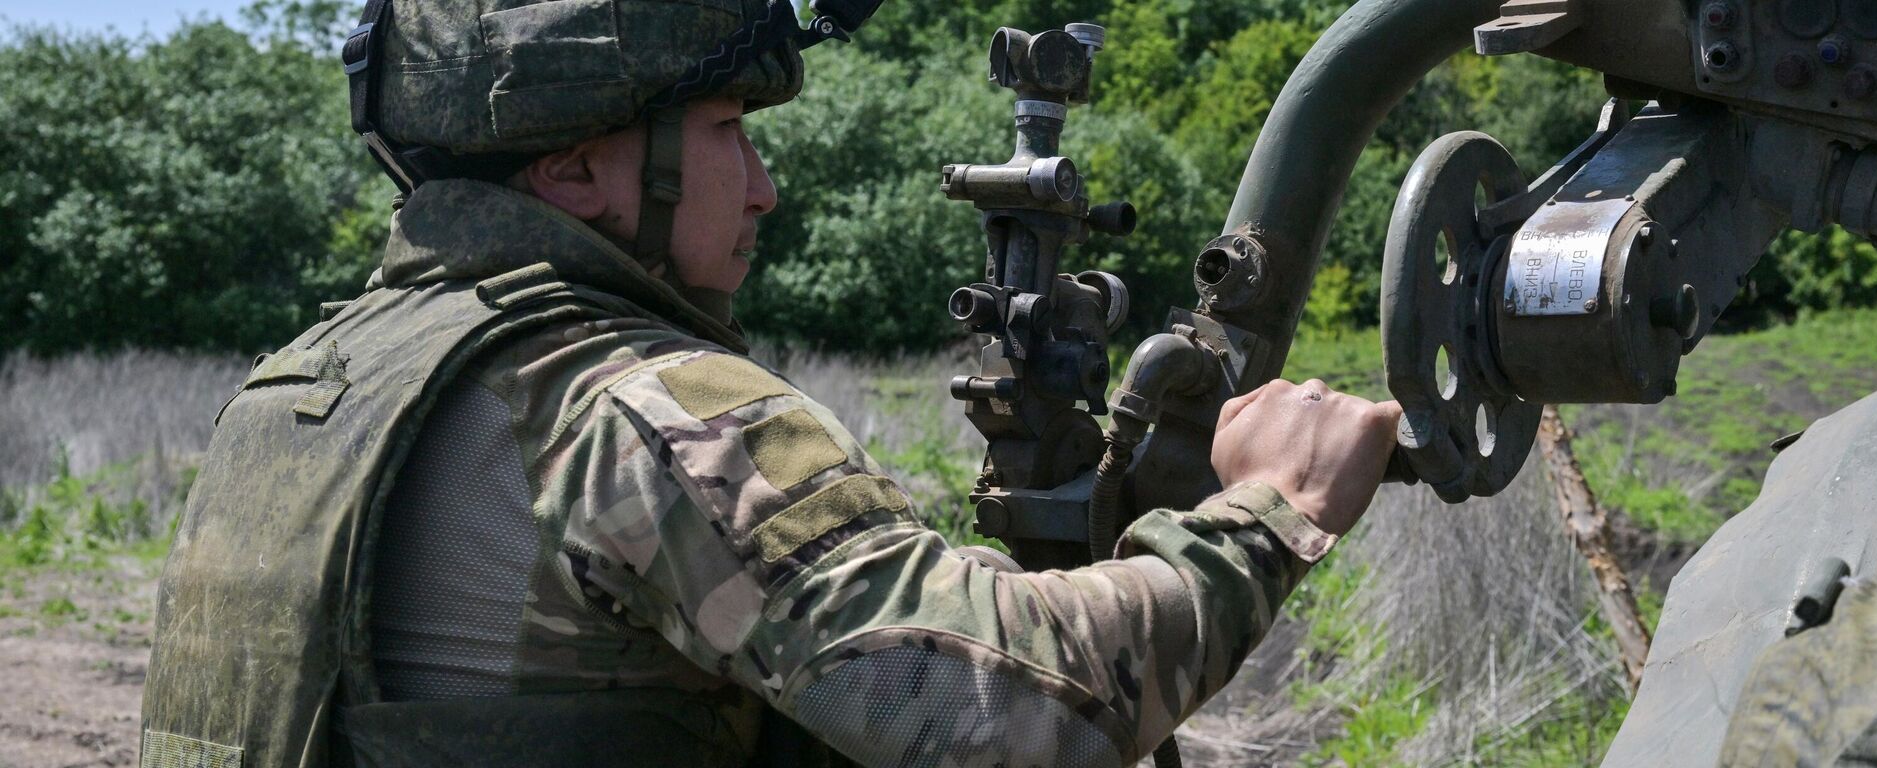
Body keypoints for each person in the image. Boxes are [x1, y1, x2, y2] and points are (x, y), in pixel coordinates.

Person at [138, 1, 1402, 766]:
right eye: (729, 132)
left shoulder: (297, 389)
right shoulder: (639, 409)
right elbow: (1016, 717)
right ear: (580, 174)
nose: (765, 187)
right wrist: (1266, 511)